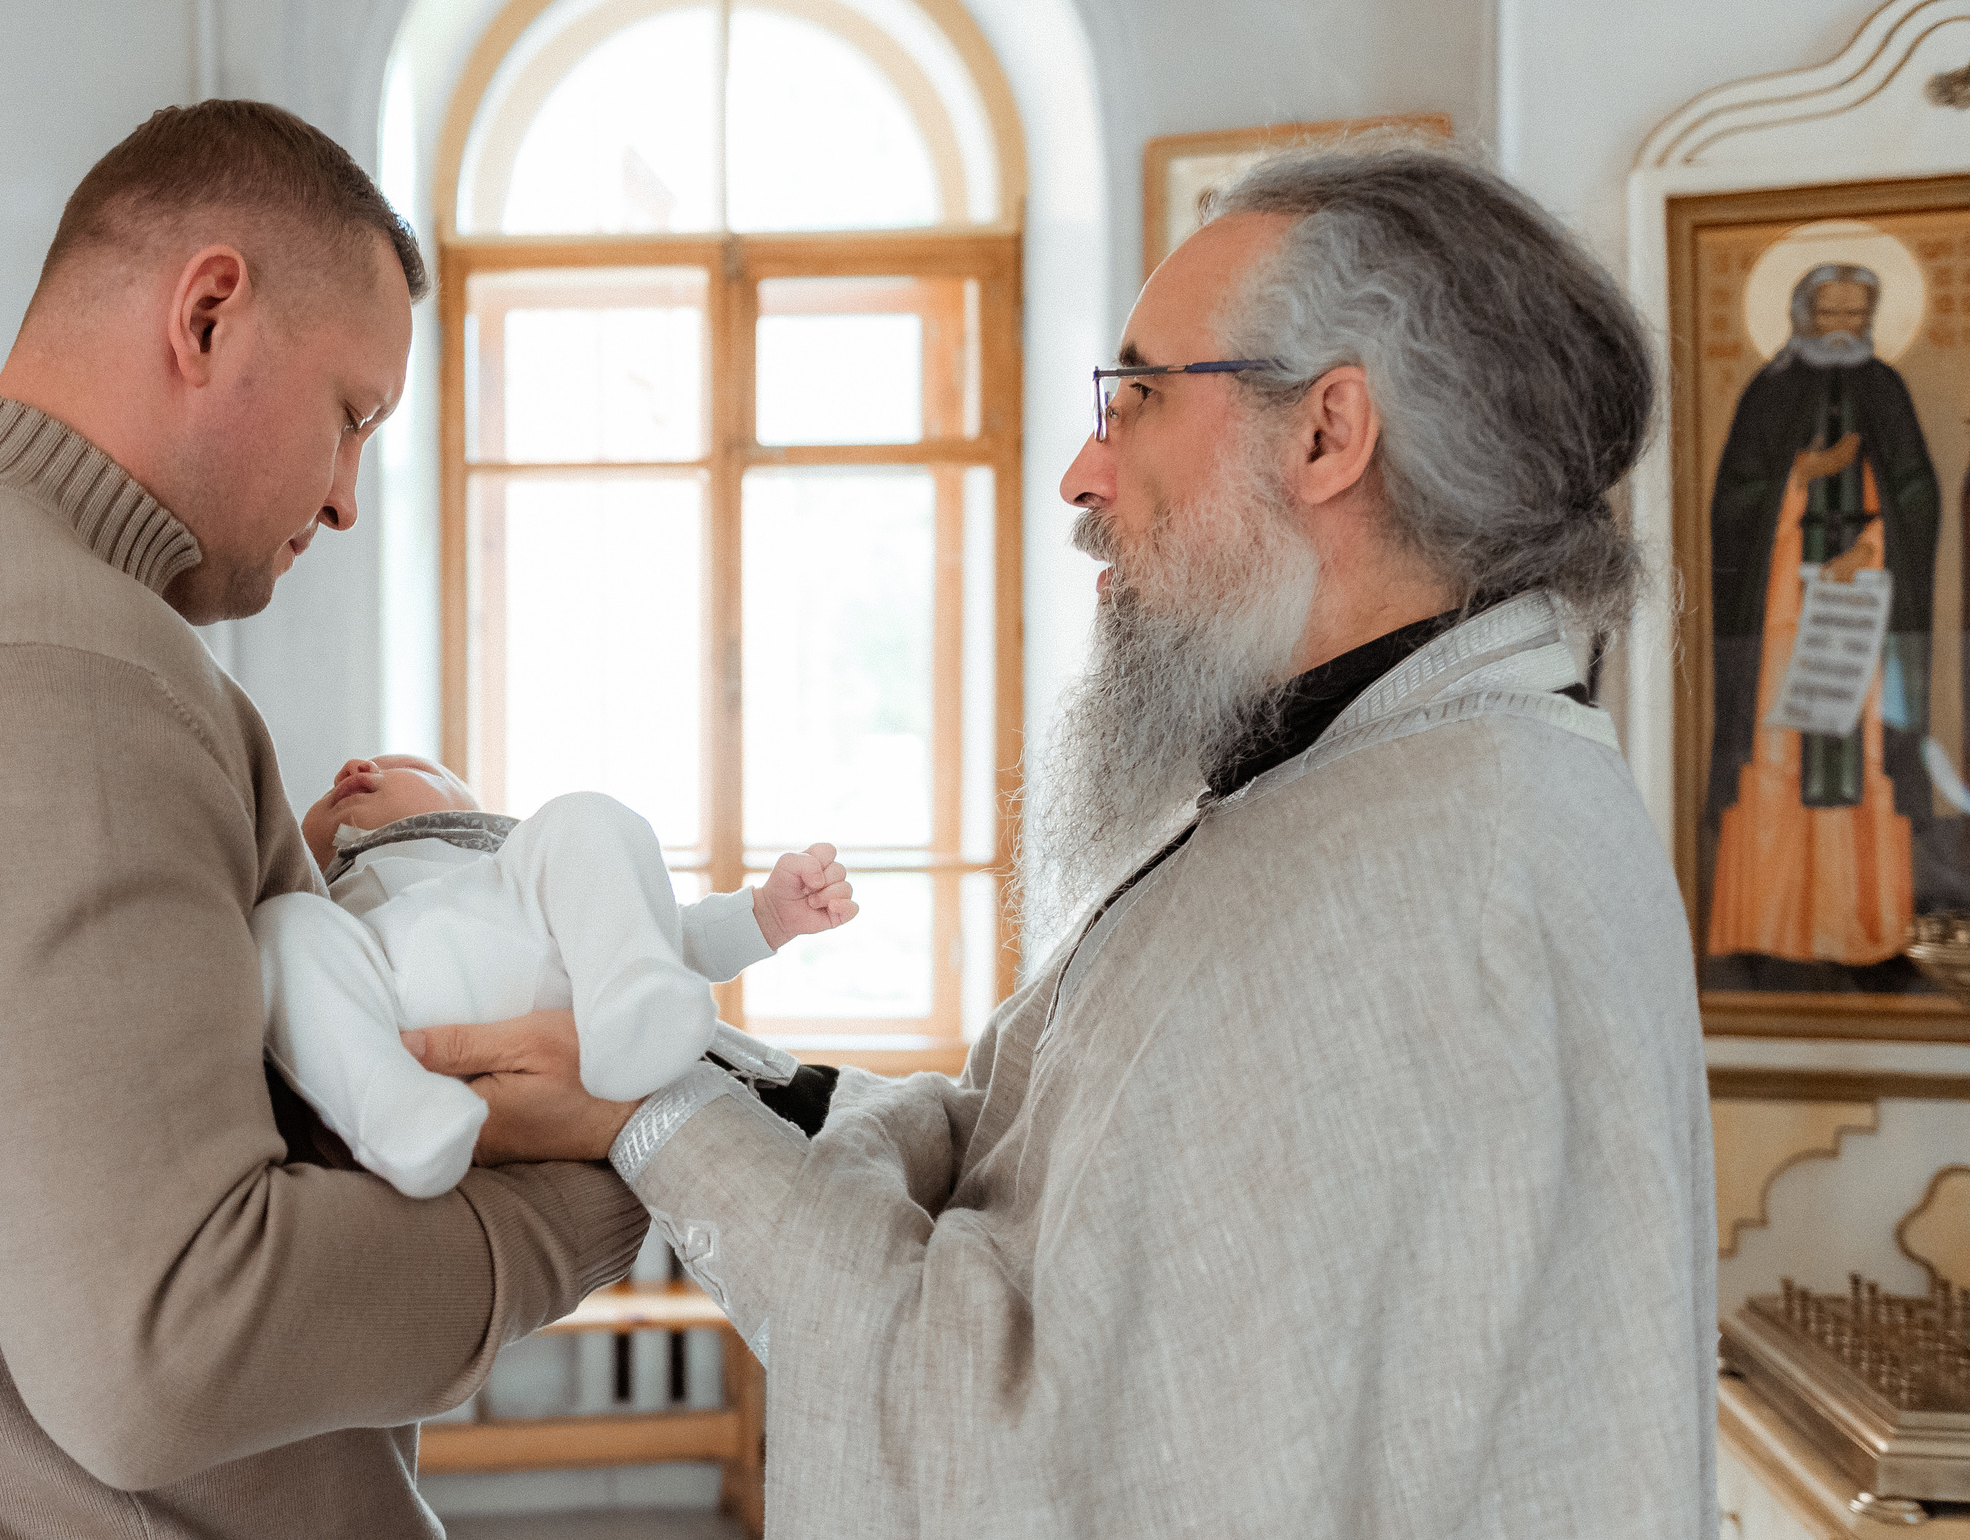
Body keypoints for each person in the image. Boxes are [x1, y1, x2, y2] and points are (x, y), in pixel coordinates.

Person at [410, 144, 1717, 1537]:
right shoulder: (1390, 791)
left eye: (1139, 396)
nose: (1083, 473)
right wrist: (699, 1071)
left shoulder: (1419, 890)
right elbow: (1015, 1154)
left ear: (1329, 436)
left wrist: (651, 1119)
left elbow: (1022, 1446)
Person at [0, 102, 651, 1539]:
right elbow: (171, 1349)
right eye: (352, 416)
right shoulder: (53, 670)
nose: (346, 500)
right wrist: (618, 1171)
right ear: (209, 312)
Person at [258, 753, 855, 1196]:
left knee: (586, 816)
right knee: (282, 924)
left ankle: (632, 1006)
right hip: (390, 996)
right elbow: (310, 997)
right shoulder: (334, 902)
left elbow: (674, 932)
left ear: (474, 815)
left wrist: (767, 915)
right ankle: (393, 1113)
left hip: (563, 985)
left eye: (411, 766)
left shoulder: (524, 868)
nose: (356, 768)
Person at [1705, 262, 1941, 984]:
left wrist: (1868, 549)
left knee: (1862, 750)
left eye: (1855, 314)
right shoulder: (1768, 393)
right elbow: (1733, 504)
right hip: (1781, 607)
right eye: (1831, 313)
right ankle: (1773, 925)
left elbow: (1914, 497)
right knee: (1779, 744)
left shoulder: (1886, 390)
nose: (1844, 328)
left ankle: (1863, 929)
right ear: (1803, 316)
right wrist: (1798, 476)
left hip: (1861, 608)